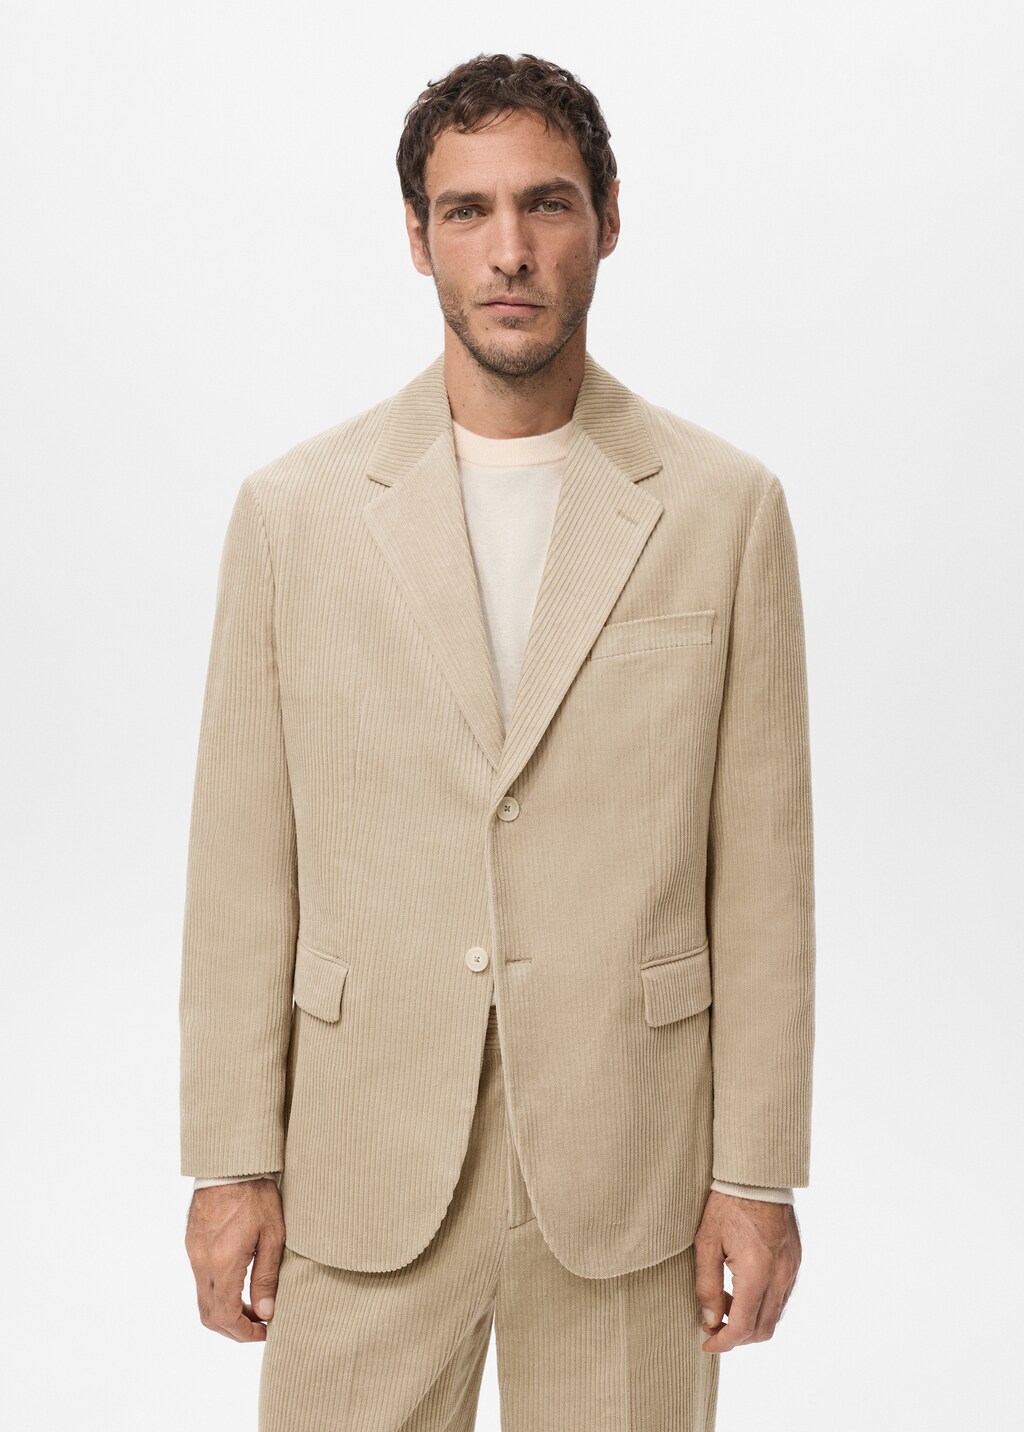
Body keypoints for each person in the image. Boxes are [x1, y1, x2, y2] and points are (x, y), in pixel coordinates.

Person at [180, 51, 816, 1431]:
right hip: (363, 1157)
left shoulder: (723, 508)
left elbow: (765, 871)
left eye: (547, 203)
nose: (510, 251)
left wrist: (757, 1174)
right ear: (418, 238)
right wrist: (231, 1160)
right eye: (467, 212)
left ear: (609, 218)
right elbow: (242, 861)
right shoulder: (296, 514)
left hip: (632, 1167)